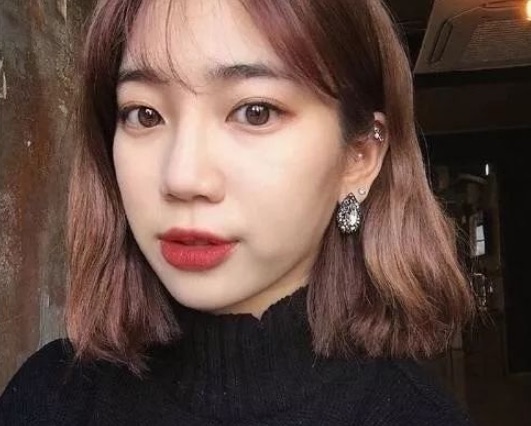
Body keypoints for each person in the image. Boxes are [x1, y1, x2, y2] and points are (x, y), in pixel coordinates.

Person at [0, 0, 476, 424]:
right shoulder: (49, 399)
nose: (183, 177)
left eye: (255, 112)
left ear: (359, 157)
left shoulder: (415, 415)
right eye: (145, 114)